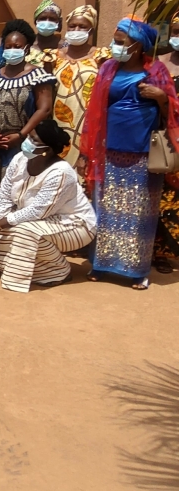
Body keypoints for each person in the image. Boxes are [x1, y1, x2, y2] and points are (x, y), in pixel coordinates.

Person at [81, 17, 179, 289]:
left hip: (142, 151)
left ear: (137, 45)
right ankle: (101, 264)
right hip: (108, 148)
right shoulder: (108, 68)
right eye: (115, 40)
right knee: (105, 208)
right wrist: (87, 150)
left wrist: (160, 96)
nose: (115, 46)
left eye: (120, 42)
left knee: (139, 213)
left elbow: (173, 111)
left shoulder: (156, 71)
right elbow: (94, 110)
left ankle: (137, 270)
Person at [0, 120, 96, 293]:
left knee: (25, 231)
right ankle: (32, 271)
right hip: (36, 220)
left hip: (75, 225)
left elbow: (38, 211)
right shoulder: (20, 159)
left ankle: (58, 272)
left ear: (47, 150)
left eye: (34, 140)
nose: (28, 142)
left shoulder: (61, 172)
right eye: (29, 136)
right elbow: (4, 194)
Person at [0, 20, 55, 192]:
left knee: (18, 188)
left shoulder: (38, 74)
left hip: (23, 143)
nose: (12, 50)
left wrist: (20, 134)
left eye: (17, 46)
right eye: (8, 46)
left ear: (27, 48)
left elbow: (44, 108)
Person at [51, 5, 110, 171]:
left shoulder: (101, 57)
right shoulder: (54, 56)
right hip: (57, 122)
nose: (76, 30)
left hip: (87, 123)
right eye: (72, 26)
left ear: (91, 30)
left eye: (82, 26)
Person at [154, 12, 179, 274]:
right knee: (162, 194)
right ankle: (159, 251)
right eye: (175, 31)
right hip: (163, 138)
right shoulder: (158, 64)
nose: (177, 37)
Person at [28, 0, 62, 73]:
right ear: (35, 21)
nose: (47, 22)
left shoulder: (64, 46)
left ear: (58, 22)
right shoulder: (27, 44)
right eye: (43, 18)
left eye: (52, 19)